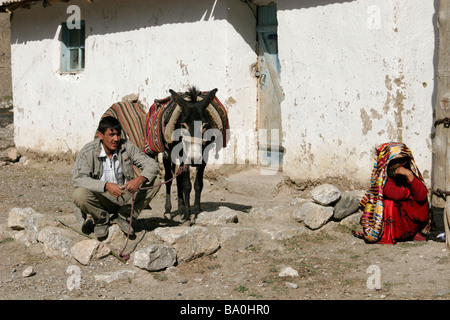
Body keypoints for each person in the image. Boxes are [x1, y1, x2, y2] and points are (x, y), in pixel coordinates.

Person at [72, 116, 161, 239]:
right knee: (79, 194)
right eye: (111, 135)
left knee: (155, 181)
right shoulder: (88, 151)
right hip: (101, 198)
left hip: (125, 196)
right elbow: (78, 179)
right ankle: (101, 220)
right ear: (100, 135)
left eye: (118, 134)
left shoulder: (126, 147)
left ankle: (124, 216)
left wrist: (139, 179)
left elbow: (152, 164)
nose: (116, 139)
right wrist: (106, 186)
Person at [355, 142, 431, 244]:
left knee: (423, 200)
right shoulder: (382, 180)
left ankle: (417, 232)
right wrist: (408, 191)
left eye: (402, 160)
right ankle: (388, 236)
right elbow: (395, 194)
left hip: (412, 224)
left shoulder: (409, 173)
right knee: (388, 203)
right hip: (396, 224)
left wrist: (409, 175)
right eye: (396, 161)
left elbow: (421, 195)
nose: (400, 165)